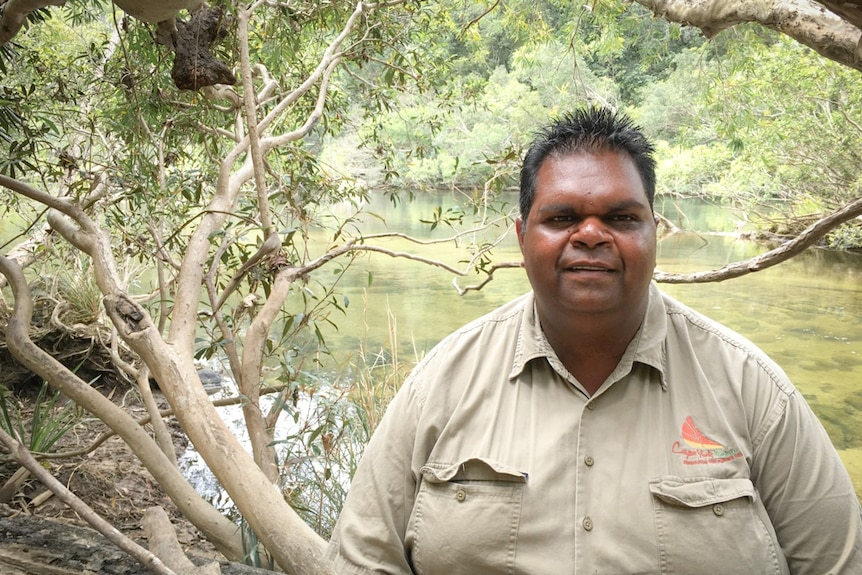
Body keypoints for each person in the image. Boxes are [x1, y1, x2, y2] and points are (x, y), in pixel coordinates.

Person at [327, 107, 862, 574]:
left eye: (620, 218)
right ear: (521, 237)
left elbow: (838, 561)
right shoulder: (439, 386)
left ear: (656, 231)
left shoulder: (755, 392)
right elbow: (362, 560)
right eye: (561, 218)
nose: (589, 235)